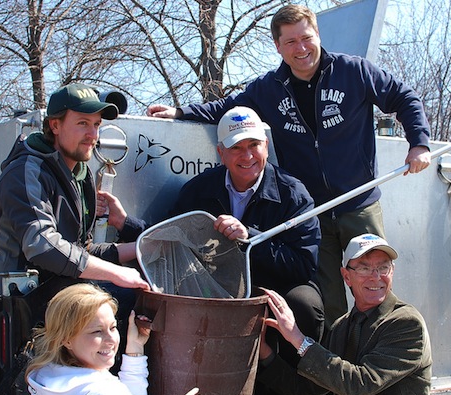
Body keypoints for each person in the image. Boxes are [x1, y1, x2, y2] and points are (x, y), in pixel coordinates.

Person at [147, 4, 432, 333]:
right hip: (312, 212)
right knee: (329, 300)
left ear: (317, 35)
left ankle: (384, 358)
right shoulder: (268, 88)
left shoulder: (354, 71)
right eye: (291, 42)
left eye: (306, 38)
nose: (301, 48)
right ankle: (334, 373)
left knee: (374, 287)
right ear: (278, 47)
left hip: (359, 204)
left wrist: (419, 143)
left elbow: (403, 97)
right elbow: (227, 108)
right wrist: (181, 113)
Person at [0, 83, 150, 395]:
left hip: (55, 313)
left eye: (97, 125)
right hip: (8, 314)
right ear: (54, 125)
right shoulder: (26, 170)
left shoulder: (81, 174)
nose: (93, 134)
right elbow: (42, 244)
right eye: (83, 123)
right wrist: (118, 273)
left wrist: (140, 249)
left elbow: (80, 250)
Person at [171, 106, 324, 395]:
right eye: (236, 147)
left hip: (274, 283)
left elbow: (303, 265)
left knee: (304, 305)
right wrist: (126, 223)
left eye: (254, 144)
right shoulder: (198, 190)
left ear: (266, 145)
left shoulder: (294, 194)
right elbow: (169, 238)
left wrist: (251, 238)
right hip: (216, 283)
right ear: (220, 153)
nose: (247, 155)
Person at [257, 234, 432, 395]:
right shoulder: (342, 327)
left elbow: (358, 385)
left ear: (392, 271)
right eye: (365, 268)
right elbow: (304, 391)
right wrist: (264, 352)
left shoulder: (406, 323)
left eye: (383, 267)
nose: (376, 277)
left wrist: (298, 339)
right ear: (346, 276)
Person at [26, 283, 207, 395]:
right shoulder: (103, 393)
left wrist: (135, 349)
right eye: (97, 331)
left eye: (112, 328)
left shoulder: (48, 380)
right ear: (66, 339)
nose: (111, 339)